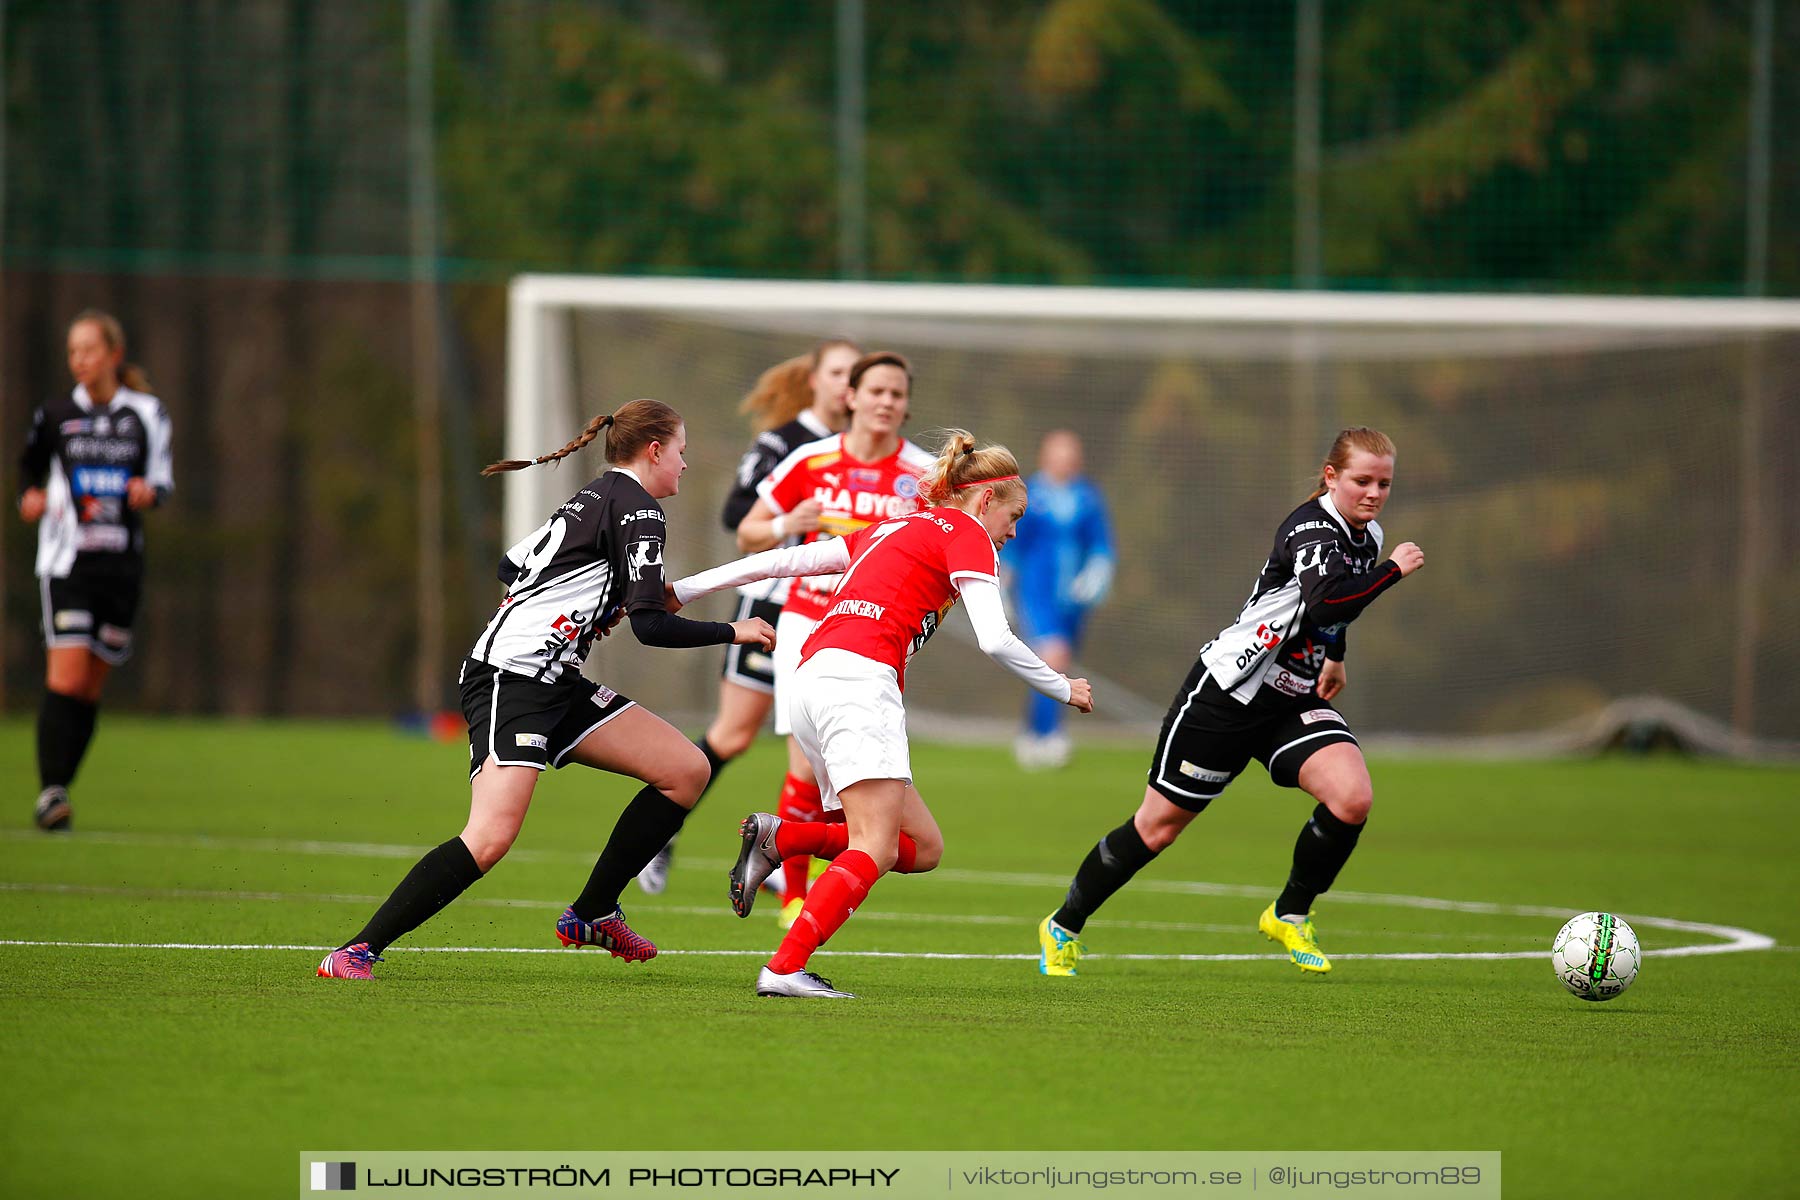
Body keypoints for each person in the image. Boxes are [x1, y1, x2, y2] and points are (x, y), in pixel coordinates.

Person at [317, 399, 776, 980]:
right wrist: (735, 630)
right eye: (681, 452)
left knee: (686, 769)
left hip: (556, 678)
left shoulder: (598, 494)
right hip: (513, 679)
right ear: (655, 450)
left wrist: (591, 607)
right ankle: (357, 950)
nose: (684, 466)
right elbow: (652, 626)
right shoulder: (638, 511)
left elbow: (517, 569)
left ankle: (593, 911)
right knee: (489, 838)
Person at [671, 430, 1094, 998]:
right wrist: (1062, 688)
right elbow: (995, 639)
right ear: (986, 500)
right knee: (875, 846)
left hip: (810, 678)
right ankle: (784, 967)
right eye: (1014, 516)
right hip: (858, 685)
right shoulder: (969, 532)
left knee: (922, 849)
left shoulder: (895, 526)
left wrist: (684, 589)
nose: (1014, 532)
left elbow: (781, 561)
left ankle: (784, 838)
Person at [1036, 427, 1424, 978]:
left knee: (1351, 796)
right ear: (1331, 476)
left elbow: (1333, 613)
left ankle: (1289, 913)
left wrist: (1334, 654)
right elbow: (1325, 598)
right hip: (1227, 695)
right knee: (1158, 827)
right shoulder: (1312, 527)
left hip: (1291, 698)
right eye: (1362, 480)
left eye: (1384, 483)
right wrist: (1392, 572)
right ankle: (1063, 925)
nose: (1374, 493)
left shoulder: (1367, 533)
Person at [635, 338, 860, 896]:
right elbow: (738, 515)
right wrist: (791, 518)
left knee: (815, 745)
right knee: (733, 735)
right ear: (815, 380)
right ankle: (657, 836)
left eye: (859, 375)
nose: (849, 385)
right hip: (774, 605)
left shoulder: (869, 453)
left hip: (835, 609)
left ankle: (786, 862)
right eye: (839, 373)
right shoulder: (785, 442)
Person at [731, 351, 934, 926]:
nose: (886, 403)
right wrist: (786, 525)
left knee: (849, 780)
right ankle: (792, 900)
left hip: (872, 633)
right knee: (804, 767)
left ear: (906, 405)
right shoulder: (812, 458)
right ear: (851, 397)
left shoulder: (921, 474)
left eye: (897, 394)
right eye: (876, 391)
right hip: (806, 622)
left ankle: (794, 854)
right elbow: (748, 531)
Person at [16, 310, 174, 832]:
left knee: (89, 686)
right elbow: (28, 469)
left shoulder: (145, 413)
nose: (79, 360)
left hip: (120, 567)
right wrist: (30, 497)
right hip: (67, 563)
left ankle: (60, 787)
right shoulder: (57, 413)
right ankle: (50, 791)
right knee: (65, 675)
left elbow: (160, 482)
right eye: (72, 352)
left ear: (113, 354)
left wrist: (147, 493)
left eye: (88, 350)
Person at [1006, 429, 1114, 770]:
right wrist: (1001, 587)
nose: (1064, 460)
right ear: (1045, 456)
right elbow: (1013, 546)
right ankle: (1047, 735)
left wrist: (1096, 574)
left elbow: (1101, 544)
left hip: (1073, 599)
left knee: (1056, 664)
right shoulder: (1030, 495)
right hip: (1036, 593)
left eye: (1070, 453)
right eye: (1058, 453)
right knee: (1054, 657)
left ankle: (1032, 732)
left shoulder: (1087, 497)